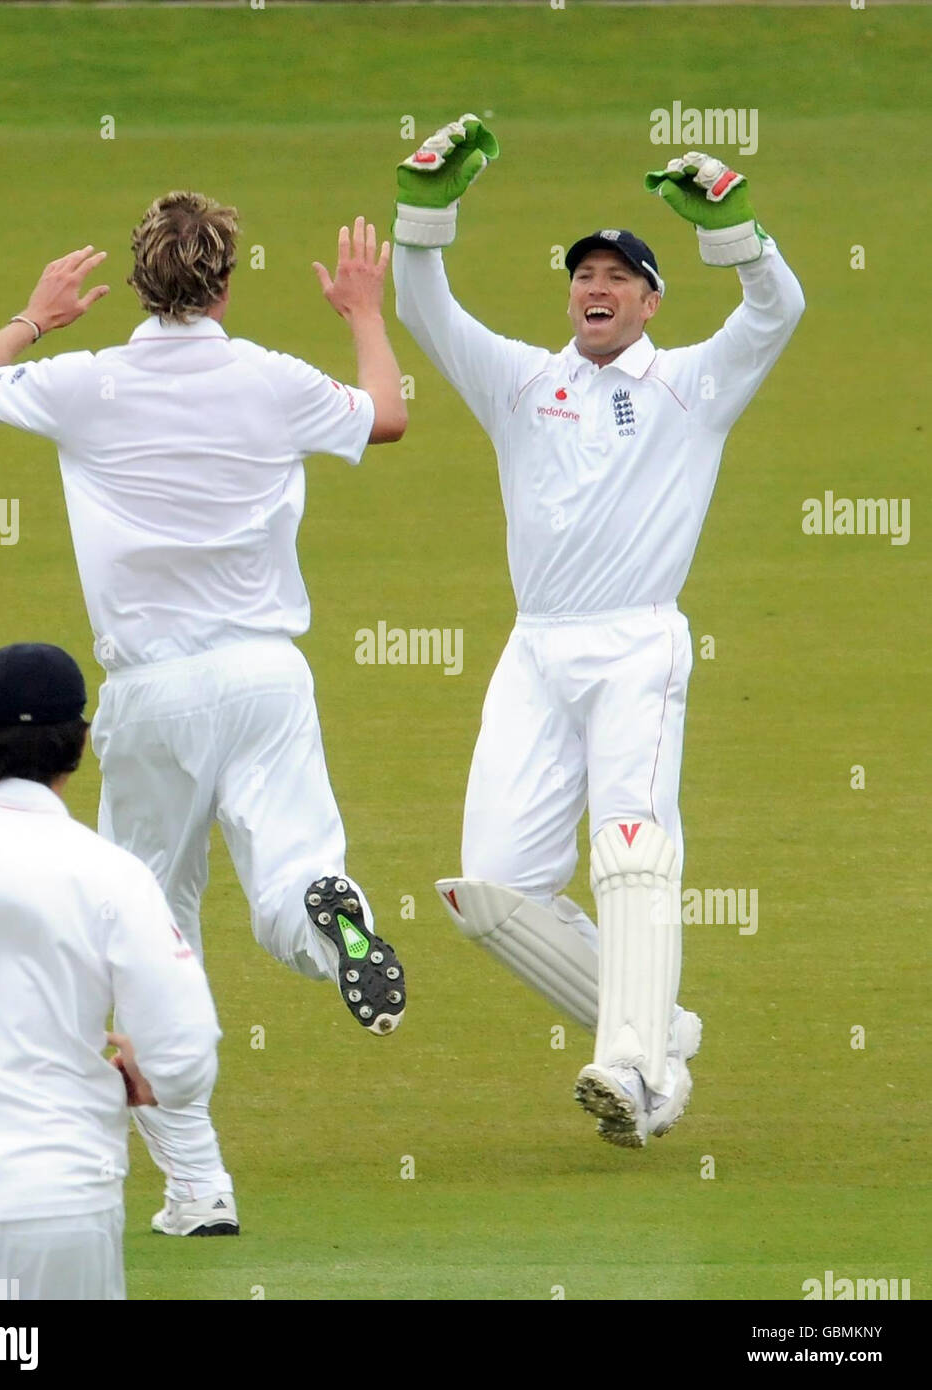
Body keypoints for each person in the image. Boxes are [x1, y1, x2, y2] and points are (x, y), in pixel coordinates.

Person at [0, 196, 409, 1235]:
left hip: (151, 692)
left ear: (141, 283)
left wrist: (34, 317)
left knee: (150, 932)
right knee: (290, 880)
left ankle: (198, 1191)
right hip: (266, 676)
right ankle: (335, 924)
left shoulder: (85, 381)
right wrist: (363, 314)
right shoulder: (273, 379)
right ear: (226, 284)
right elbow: (385, 413)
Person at [393, 118, 804, 1148]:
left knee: (628, 846)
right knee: (485, 891)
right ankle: (659, 1028)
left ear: (651, 301)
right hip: (534, 650)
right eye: (585, 271)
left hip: (635, 645)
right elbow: (422, 304)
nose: (597, 284)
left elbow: (778, 310)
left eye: (620, 273)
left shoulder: (691, 384)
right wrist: (426, 204)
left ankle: (631, 1069)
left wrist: (738, 231)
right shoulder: (524, 384)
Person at [0, 643, 220, 1300]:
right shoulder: (113, 874)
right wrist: (146, 1070)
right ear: (81, 742)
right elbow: (183, 1055)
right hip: (71, 1210)